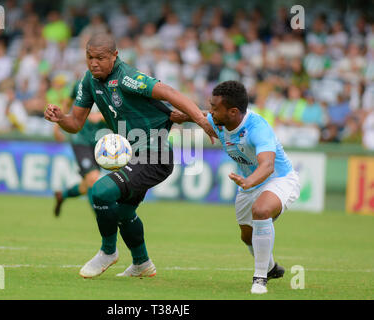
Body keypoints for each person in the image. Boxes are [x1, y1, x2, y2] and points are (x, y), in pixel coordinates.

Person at [44, 33, 215, 278]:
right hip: (133, 156)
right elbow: (75, 124)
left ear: (115, 56)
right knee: (124, 212)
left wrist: (199, 119)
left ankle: (108, 251)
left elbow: (167, 92)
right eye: (90, 57)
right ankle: (141, 264)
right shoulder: (89, 82)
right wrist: (60, 118)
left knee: (101, 190)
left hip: (154, 156)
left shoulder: (127, 77)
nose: (94, 63)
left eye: (101, 58)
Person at [171, 81, 300, 294]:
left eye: (215, 108)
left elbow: (267, 165)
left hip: (278, 179)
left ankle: (260, 278)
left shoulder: (258, 128)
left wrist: (249, 182)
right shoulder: (220, 120)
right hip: (248, 182)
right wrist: (185, 116)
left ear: (232, 112)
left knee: (261, 211)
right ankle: (270, 267)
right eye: (211, 106)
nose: (210, 112)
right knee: (247, 237)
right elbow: (203, 116)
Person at [53, 80, 107, 217]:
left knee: (86, 186)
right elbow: (67, 102)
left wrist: (101, 116)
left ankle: (62, 195)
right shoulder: (80, 84)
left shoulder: (114, 85)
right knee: (93, 178)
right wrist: (57, 125)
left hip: (100, 141)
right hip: (81, 139)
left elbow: (120, 112)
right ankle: (102, 218)